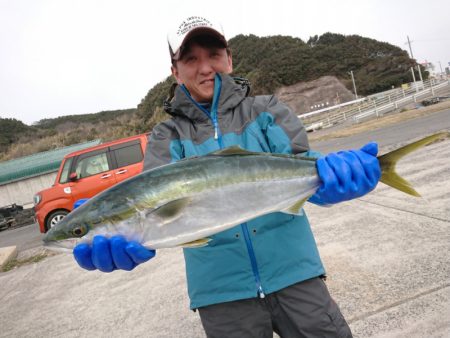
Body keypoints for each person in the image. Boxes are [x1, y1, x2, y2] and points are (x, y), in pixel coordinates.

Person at [73, 16, 381, 337]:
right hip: (221, 294)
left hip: (296, 274)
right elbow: (152, 200)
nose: (205, 67)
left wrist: (330, 177)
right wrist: (126, 232)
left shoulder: (266, 111)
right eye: (191, 59)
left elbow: (299, 164)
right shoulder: (166, 136)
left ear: (229, 60)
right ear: (175, 72)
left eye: (214, 56)